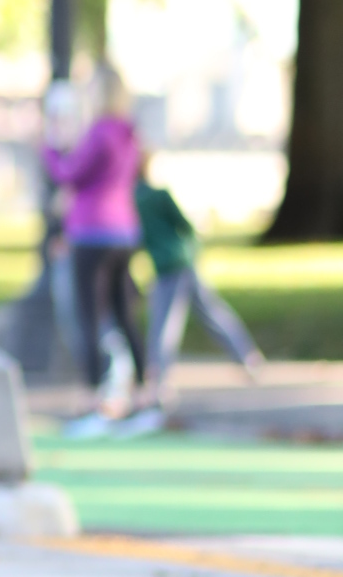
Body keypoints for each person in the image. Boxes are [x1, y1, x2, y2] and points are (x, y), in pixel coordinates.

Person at [43, 65, 146, 432]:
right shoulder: (129, 133)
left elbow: (68, 173)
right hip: (124, 231)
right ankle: (142, 398)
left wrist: (49, 147)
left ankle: (92, 401)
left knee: (88, 315)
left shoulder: (100, 132)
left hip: (91, 232)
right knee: (122, 313)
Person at [135, 159, 263, 418]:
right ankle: (247, 356)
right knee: (211, 313)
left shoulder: (134, 200)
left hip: (168, 267)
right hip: (183, 262)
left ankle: (158, 382)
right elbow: (185, 226)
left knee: (164, 324)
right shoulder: (158, 196)